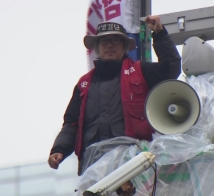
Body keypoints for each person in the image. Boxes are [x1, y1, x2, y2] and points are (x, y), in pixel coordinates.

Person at [48, 15, 181, 175]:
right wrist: (59, 149)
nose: (110, 45)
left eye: (115, 41)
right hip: (93, 166)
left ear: (124, 46)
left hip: (135, 164)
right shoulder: (84, 83)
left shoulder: (141, 71)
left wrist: (159, 34)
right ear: (97, 47)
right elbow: (71, 123)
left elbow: (170, 69)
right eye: (104, 41)